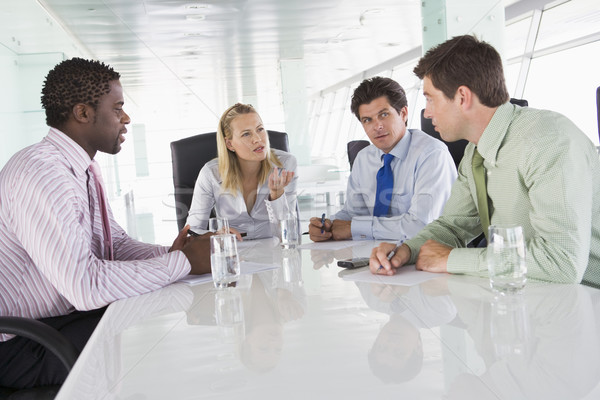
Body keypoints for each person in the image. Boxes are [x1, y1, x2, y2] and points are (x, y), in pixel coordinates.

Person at [0, 57, 211, 389]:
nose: (126, 119)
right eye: (118, 108)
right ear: (83, 113)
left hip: (59, 321)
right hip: (22, 345)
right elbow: (84, 285)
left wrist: (173, 252)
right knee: (155, 346)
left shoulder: (80, 169)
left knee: (164, 305)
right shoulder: (41, 172)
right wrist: (183, 262)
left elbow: (117, 246)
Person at [370, 35, 600, 285]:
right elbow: (453, 227)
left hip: (586, 300)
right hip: (525, 294)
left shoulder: (548, 142)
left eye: (430, 98)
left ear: (462, 97)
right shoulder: (475, 152)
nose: (427, 112)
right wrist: (407, 250)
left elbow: (562, 263)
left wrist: (452, 260)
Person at [308, 77, 456, 242]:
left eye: (384, 115)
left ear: (404, 113)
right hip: (375, 254)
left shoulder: (431, 154)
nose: (377, 126)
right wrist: (327, 225)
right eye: (367, 120)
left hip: (426, 255)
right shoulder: (364, 158)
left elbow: (422, 226)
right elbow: (353, 213)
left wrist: (353, 228)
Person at [186, 103, 297, 240]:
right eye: (246, 134)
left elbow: (289, 235)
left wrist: (276, 196)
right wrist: (215, 236)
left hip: (273, 251)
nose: (257, 139)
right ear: (230, 144)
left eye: (260, 129)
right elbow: (191, 231)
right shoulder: (211, 173)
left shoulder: (285, 164)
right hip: (232, 253)